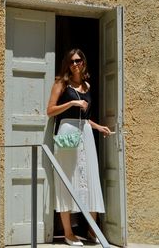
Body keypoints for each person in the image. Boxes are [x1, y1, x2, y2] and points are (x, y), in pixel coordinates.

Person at [47, 49, 111, 246]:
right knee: (67, 179)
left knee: (90, 179)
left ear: (84, 63)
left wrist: (98, 126)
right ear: (68, 64)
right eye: (72, 61)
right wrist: (73, 102)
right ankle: (68, 232)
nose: (76, 64)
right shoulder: (61, 83)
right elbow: (50, 111)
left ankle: (92, 230)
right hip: (67, 132)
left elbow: (84, 118)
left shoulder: (87, 85)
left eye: (79, 60)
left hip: (85, 133)